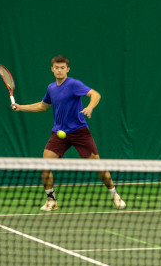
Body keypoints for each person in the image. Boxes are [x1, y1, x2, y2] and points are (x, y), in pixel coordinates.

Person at [11, 55, 126, 211]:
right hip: (59, 134)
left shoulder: (73, 84)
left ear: (67, 69)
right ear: (52, 69)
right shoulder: (51, 88)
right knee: (44, 165)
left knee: (98, 167)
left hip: (80, 132)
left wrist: (90, 107)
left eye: (62, 68)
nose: (59, 70)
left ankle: (115, 195)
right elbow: (42, 106)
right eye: (57, 67)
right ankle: (51, 199)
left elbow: (95, 94)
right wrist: (21, 107)